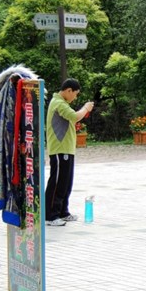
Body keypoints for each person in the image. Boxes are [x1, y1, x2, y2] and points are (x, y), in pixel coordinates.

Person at [44, 78, 94, 226]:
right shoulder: (58, 103)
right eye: (75, 94)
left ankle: (62, 212)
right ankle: (50, 216)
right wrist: (86, 108)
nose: (75, 97)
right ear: (68, 91)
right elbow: (75, 116)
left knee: (66, 183)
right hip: (59, 150)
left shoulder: (63, 103)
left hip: (67, 149)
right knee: (57, 183)